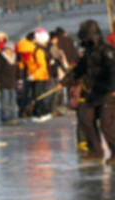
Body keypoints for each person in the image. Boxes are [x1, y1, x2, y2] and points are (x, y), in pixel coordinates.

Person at [59, 19, 115, 164]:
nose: (84, 40)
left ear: (93, 35)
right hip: (94, 91)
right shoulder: (89, 52)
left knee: (106, 124)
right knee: (85, 119)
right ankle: (96, 150)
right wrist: (65, 81)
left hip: (108, 92)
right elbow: (79, 70)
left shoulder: (106, 50)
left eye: (86, 36)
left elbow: (113, 70)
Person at [27, 28, 52, 123]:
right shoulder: (37, 50)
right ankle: (41, 113)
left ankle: (40, 113)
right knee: (37, 96)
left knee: (37, 96)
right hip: (36, 76)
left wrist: (34, 75)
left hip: (39, 77)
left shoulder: (38, 51)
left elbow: (42, 66)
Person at [0, 41, 19, 126]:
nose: (8, 51)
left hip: (13, 83)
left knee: (13, 101)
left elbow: (17, 71)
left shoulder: (15, 58)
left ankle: (13, 116)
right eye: (7, 49)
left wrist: (19, 80)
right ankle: (6, 117)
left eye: (10, 49)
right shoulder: (1, 58)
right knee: (5, 101)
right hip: (4, 83)